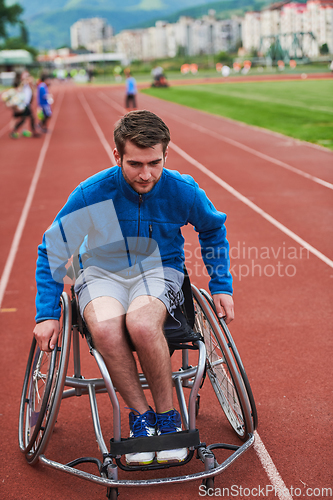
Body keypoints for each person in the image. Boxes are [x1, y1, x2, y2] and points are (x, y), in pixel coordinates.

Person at [33, 110, 234, 466]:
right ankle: (142, 418)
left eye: (155, 163)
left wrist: (221, 285)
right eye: (135, 164)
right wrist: (47, 313)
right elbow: (54, 247)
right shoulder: (93, 192)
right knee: (107, 328)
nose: (146, 174)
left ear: (165, 155)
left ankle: (169, 420)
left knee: (141, 324)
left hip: (159, 270)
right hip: (100, 272)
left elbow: (213, 229)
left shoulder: (181, 190)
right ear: (117, 156)